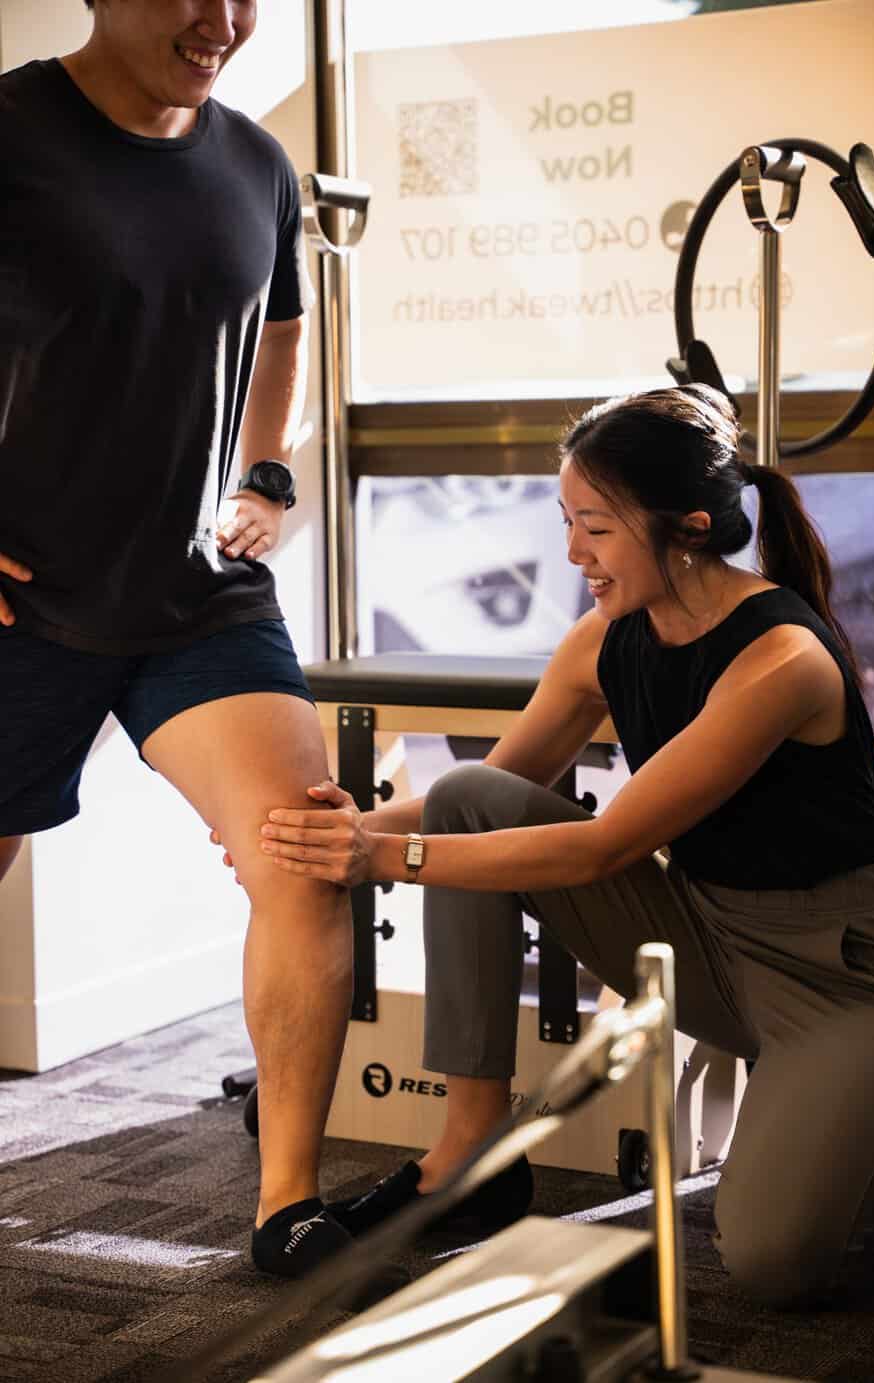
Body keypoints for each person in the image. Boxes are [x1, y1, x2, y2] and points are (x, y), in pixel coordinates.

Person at [247, 384, 874, 1306]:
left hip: (844, 977)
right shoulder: (604, 640)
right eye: (568, 521)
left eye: (596, 528)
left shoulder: (782, 660)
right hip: (708, 935)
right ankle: (472, 1151)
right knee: (472, 795)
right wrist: (340, 831)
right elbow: (480, 801)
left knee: (774, 1264)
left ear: (685, 527)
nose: (574, 553)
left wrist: (378, 862)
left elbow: (604, 847)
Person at [0, 0, 357, 1280]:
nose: (221, 22)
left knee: (305, 852)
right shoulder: (13, 132)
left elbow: (282, 329)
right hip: (25, 599)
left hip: (200, 596)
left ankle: (289, 1203)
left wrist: (267, 473)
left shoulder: (256, 163)